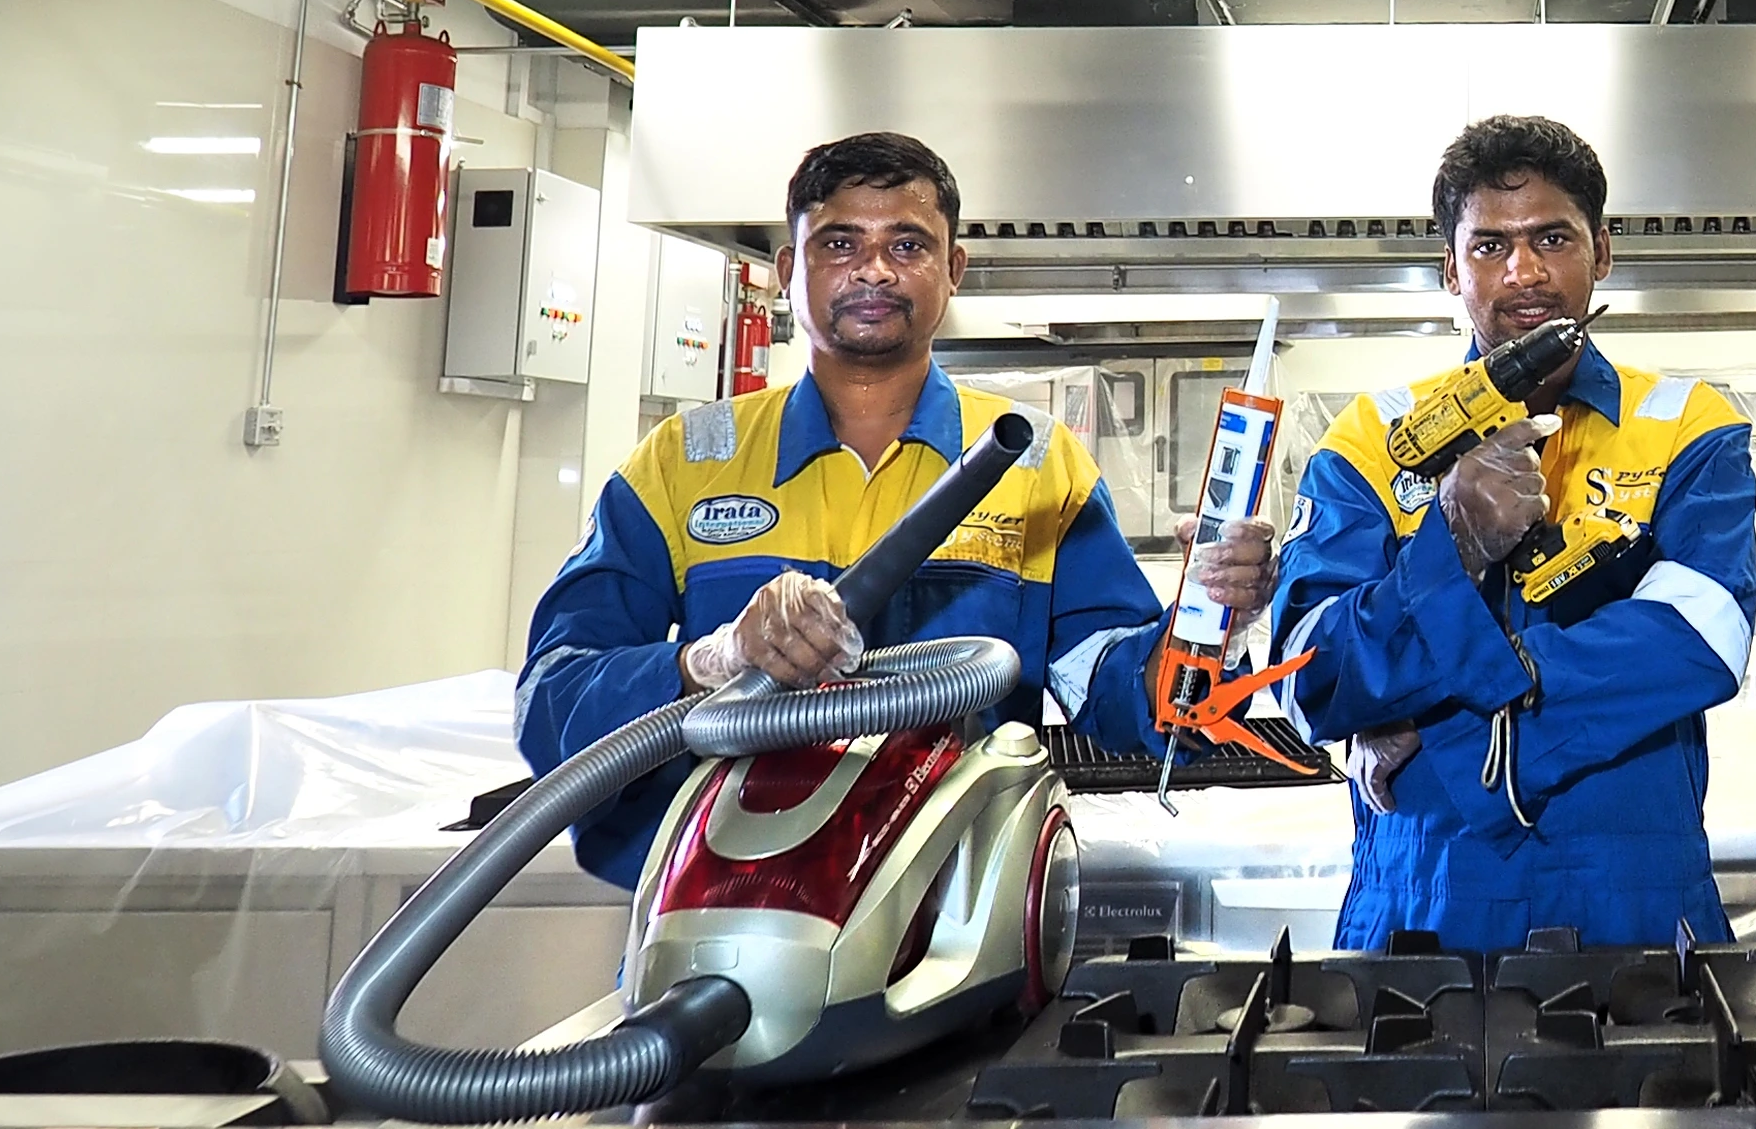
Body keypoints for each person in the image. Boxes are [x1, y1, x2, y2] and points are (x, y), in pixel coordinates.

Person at [518, 129, 1269, 884]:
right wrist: (713, 660)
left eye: (908, 246)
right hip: (723, 915)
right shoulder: (684, 462)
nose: (873, 270)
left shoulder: (1039, 465)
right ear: (788, 270)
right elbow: (553, 699)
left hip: (959, 922)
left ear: (955, 270)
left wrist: (1209, 626)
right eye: (840, 243)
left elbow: (1113, 693)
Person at [1252, 114, 1756, 951]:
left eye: (1551, 237)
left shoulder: (1686, 426)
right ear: (1449, 269)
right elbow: (1313, 671)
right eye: (1489, 246)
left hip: (1635, 896)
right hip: (1421, 898)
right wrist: (1449, 538)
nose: (1523, 271)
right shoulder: (1373, 438)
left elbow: (1698, 638)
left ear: (1602, 251)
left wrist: (1441, 723)